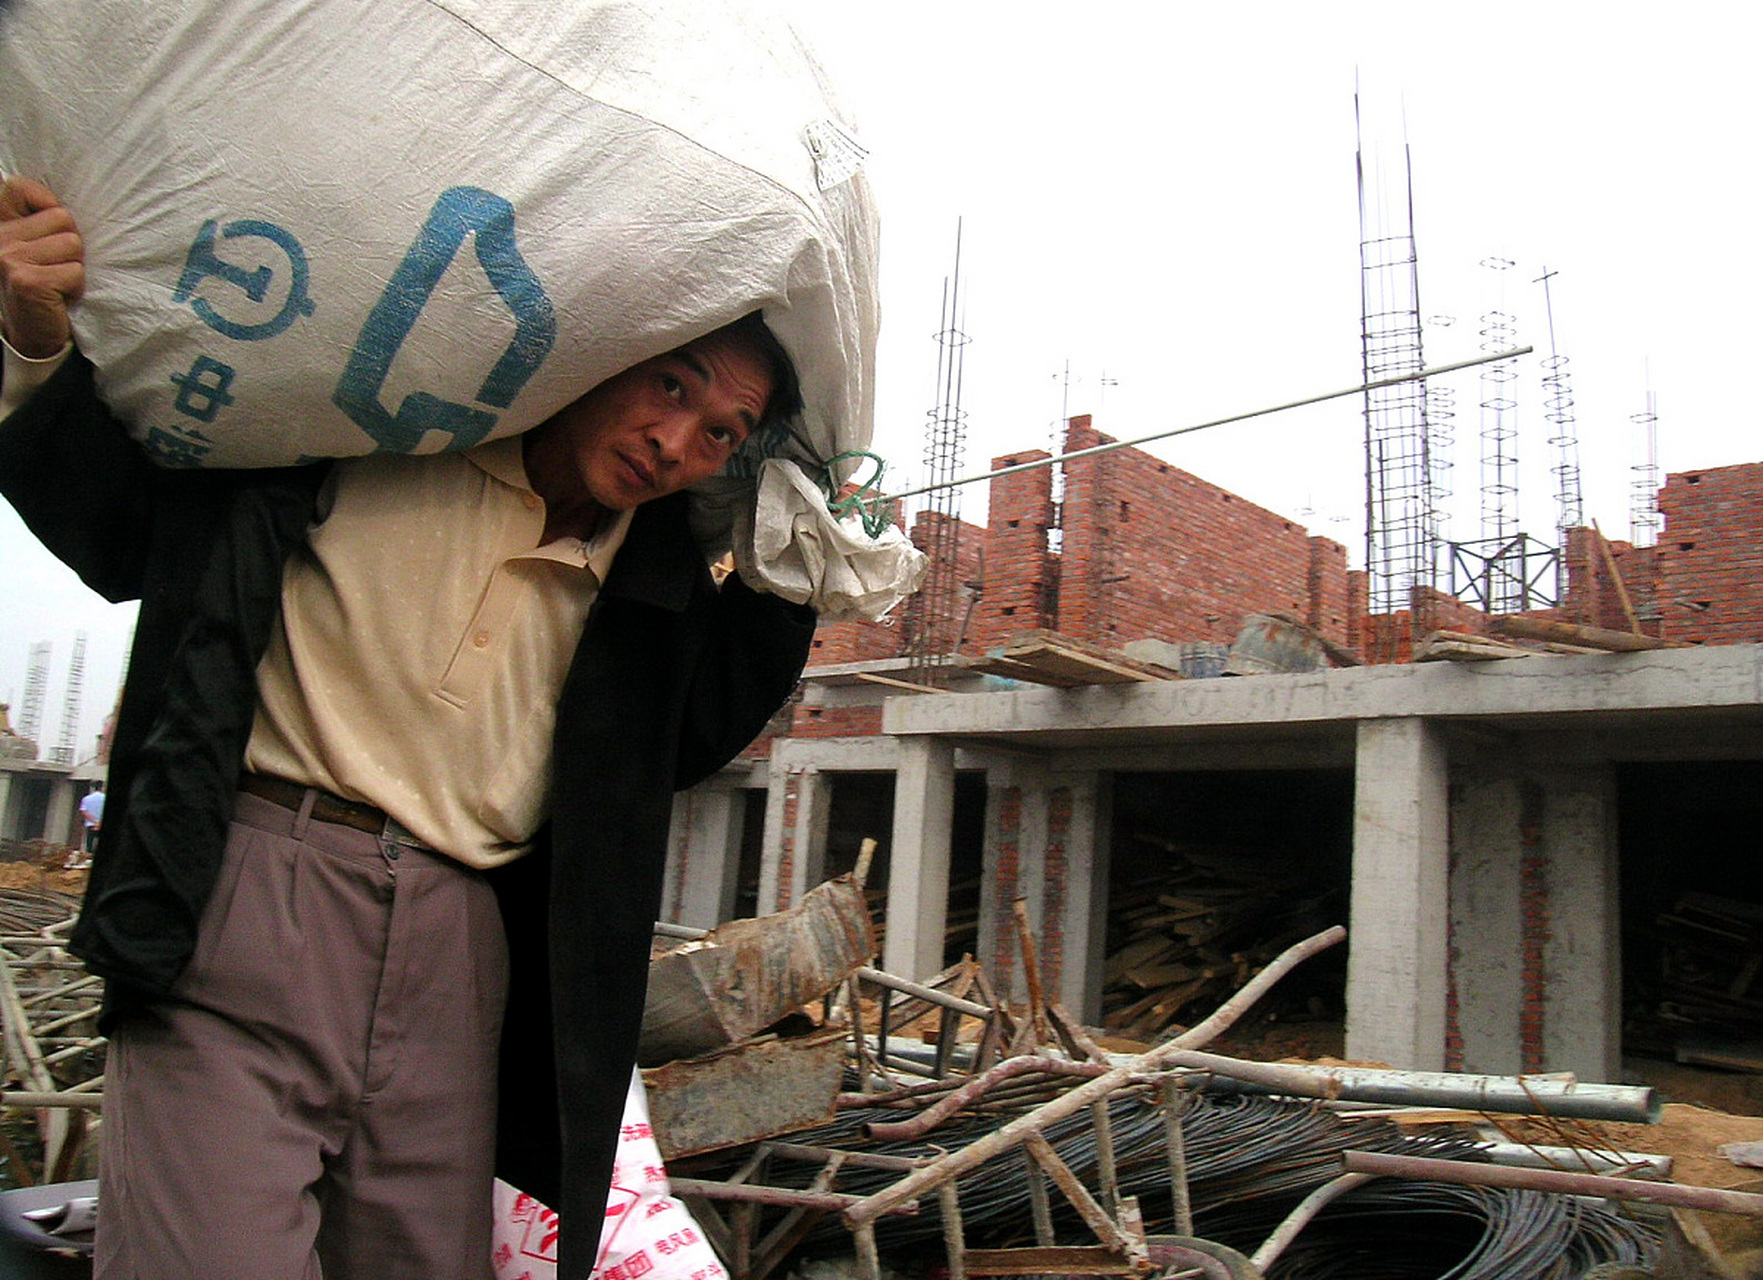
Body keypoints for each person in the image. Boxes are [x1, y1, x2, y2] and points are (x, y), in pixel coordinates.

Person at [0, 177, 817, 1278]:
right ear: (604, 348)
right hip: (248, 895)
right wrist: (35, 340)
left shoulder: (653, 581)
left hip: (461, 948)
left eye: (719, 432)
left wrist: (793, 582)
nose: (674, 440)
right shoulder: (372, 432)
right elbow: (117, 530)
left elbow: (691, 736)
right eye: (668, 386)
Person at [78, 781, 104, 854]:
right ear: (102, 787)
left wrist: (94, 821)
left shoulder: (86, 798)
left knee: (89, 846)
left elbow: (83, 811)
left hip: (90, 824)